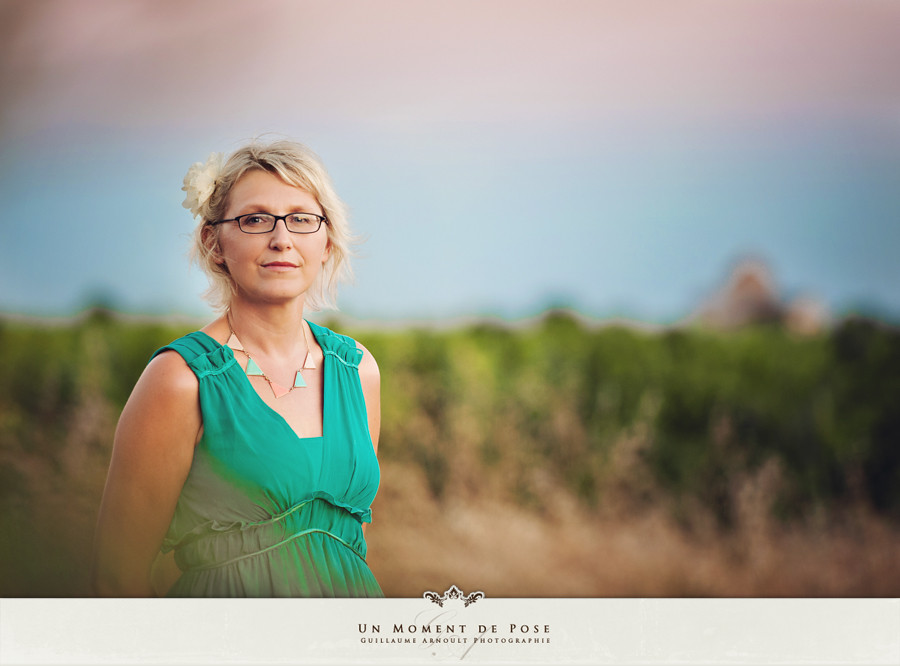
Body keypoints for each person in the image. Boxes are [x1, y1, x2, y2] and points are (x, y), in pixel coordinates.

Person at [91, 139, 382, 597]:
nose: (282, 239)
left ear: (326, 241)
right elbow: (115, 578)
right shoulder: (180, 380)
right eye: (256, 219)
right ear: (214, 242)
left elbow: (349, 542)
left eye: (302, 219)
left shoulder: (358, 370)